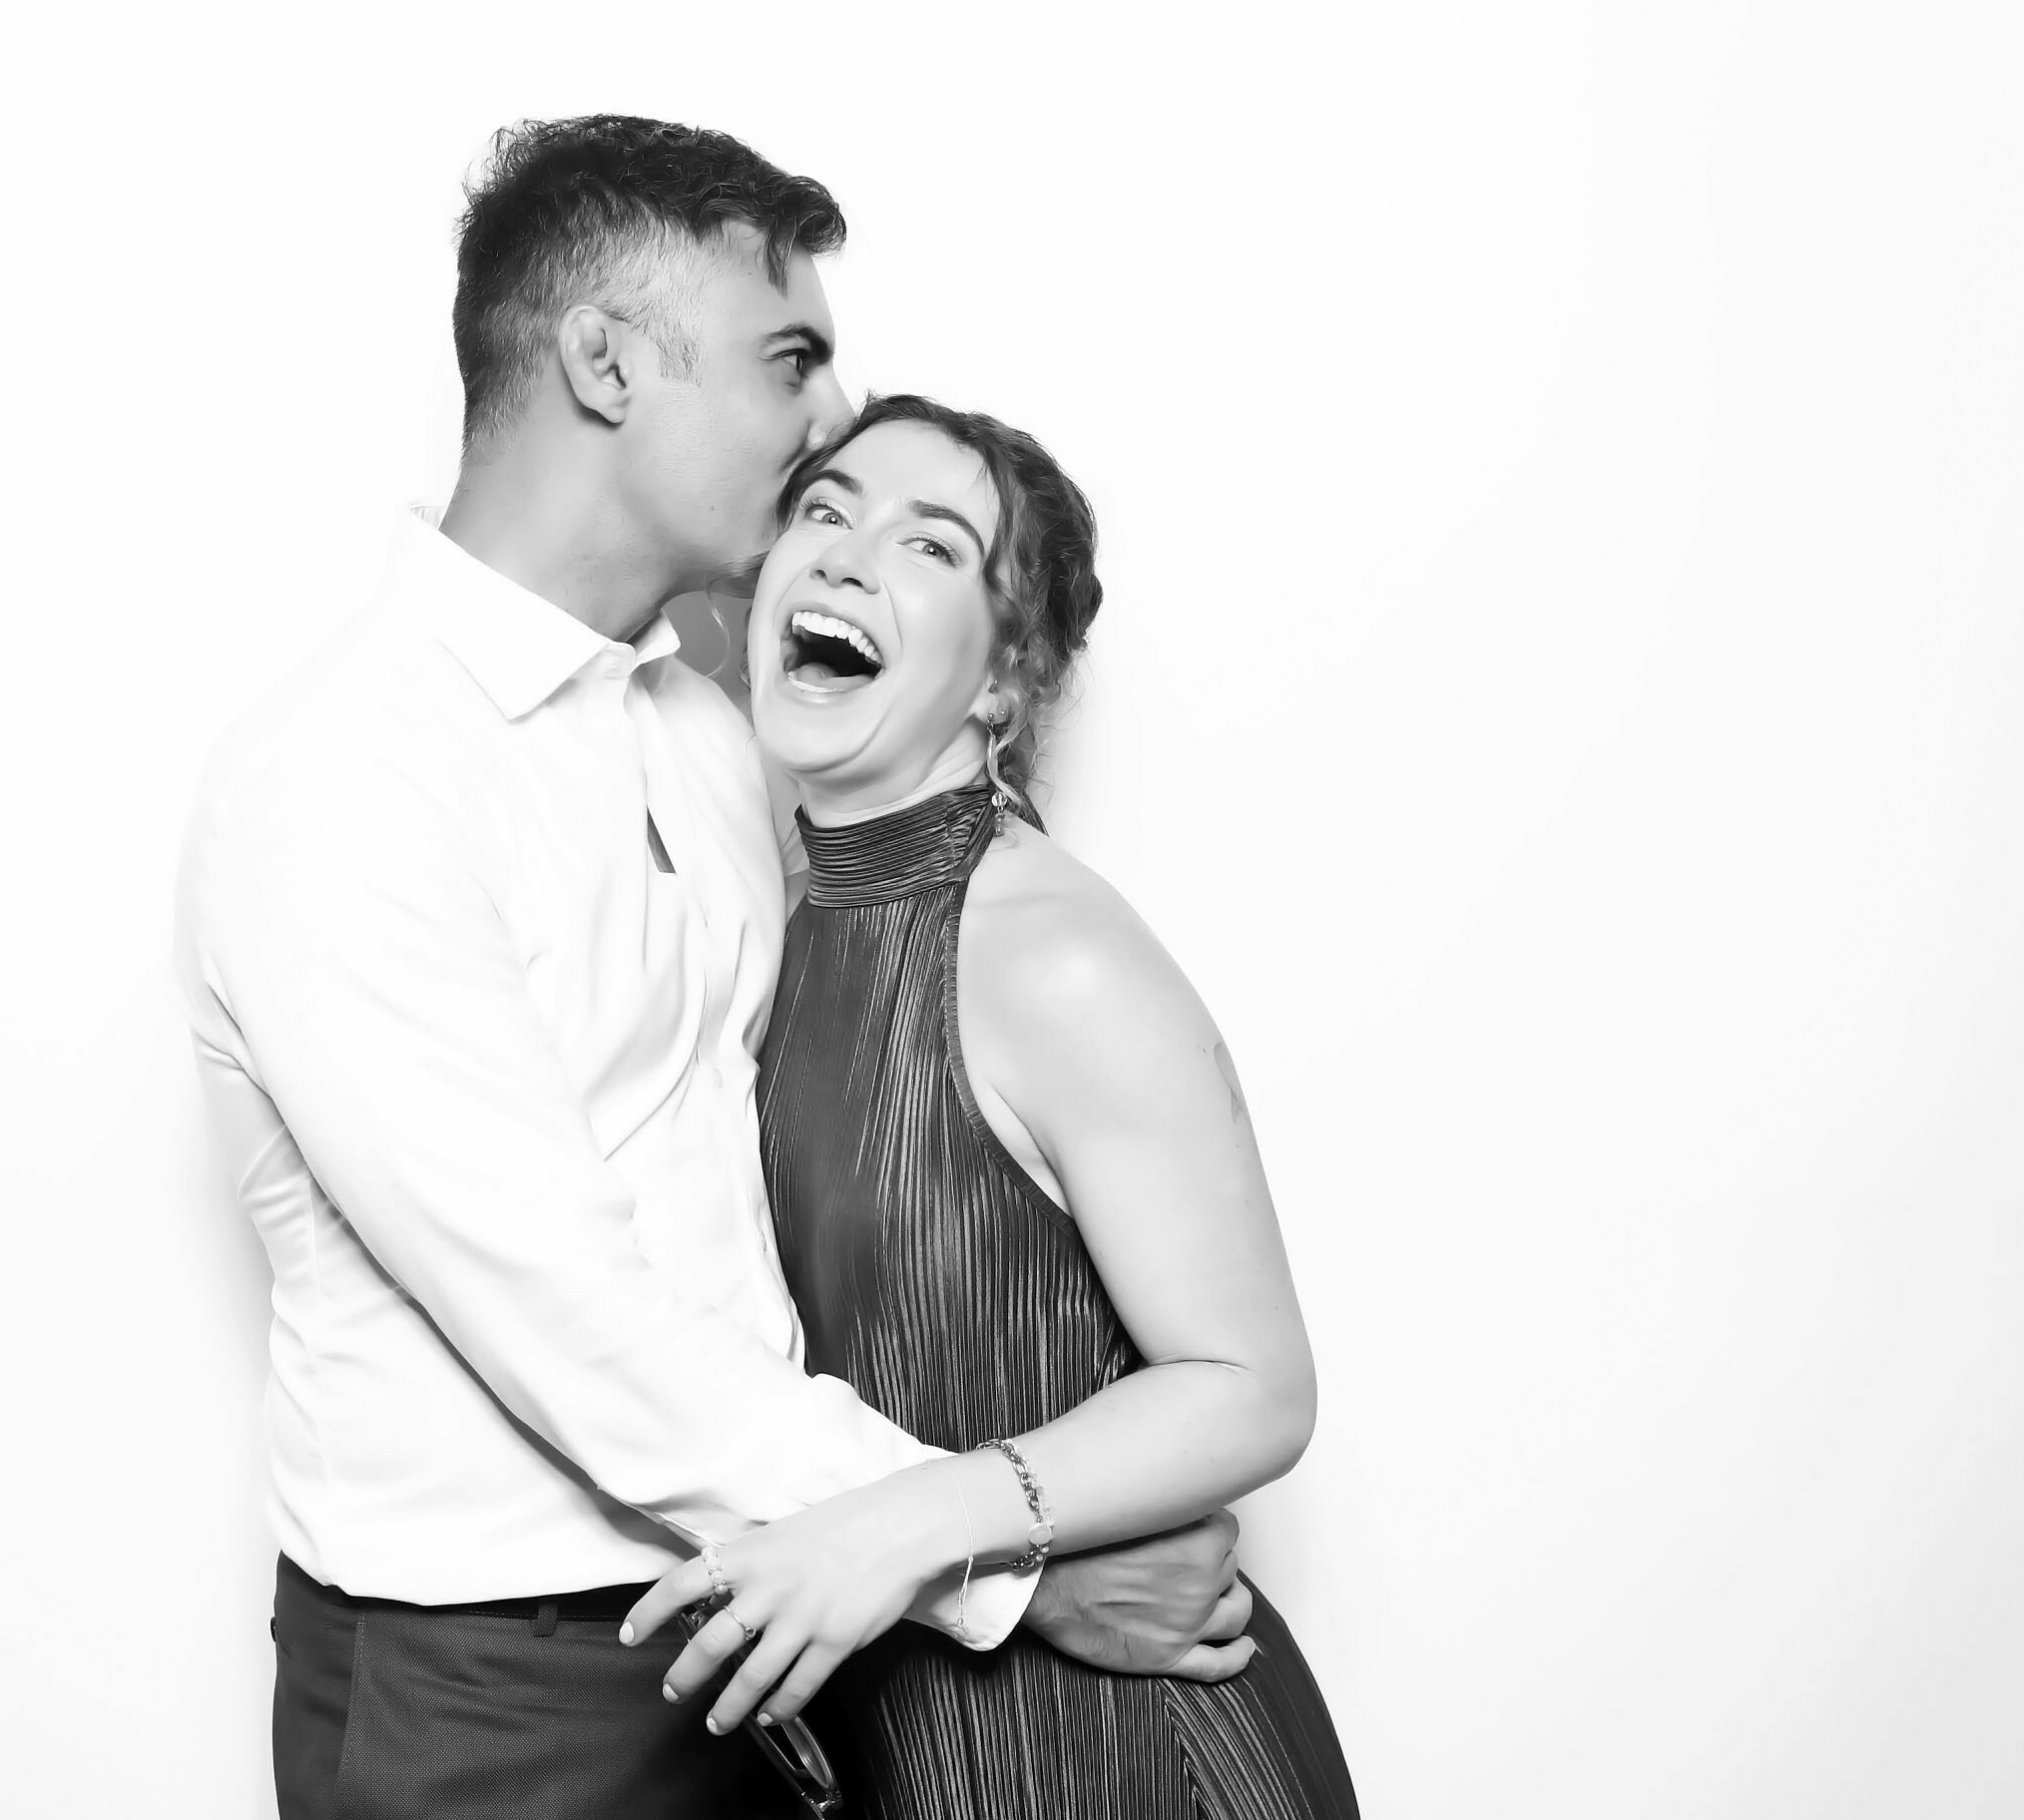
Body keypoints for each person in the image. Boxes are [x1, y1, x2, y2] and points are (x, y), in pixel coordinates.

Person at [178, 120, 1257, 1819]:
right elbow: (574, 1319)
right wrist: (1007, 1568)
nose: (831, 417)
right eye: (789, 361)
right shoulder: (346, 783)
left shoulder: (698, 727)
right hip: (503, 1686)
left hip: (778, 1637)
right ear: (607, 363)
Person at [623, 395, 1357, 1816]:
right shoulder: (771, 927)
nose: (846, 556)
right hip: (912, 1756)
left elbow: (1254, 1384)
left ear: (1003, 682)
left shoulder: (1048, 952)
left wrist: (908, 1532)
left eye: (929, 545)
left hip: (1130, 1759)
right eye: (825, 511)